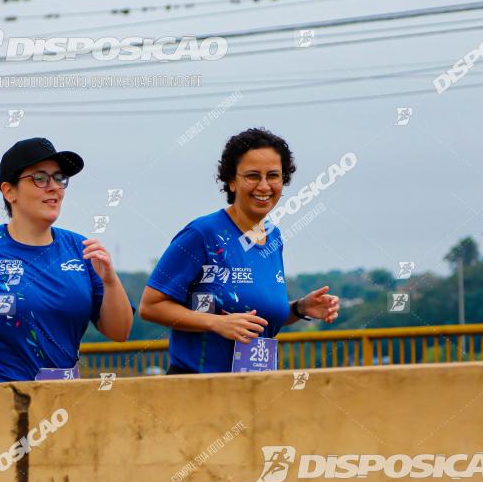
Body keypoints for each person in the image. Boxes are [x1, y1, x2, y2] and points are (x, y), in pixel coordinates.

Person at [139, 127, 339, 373]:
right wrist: (215, 323)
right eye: (253, 176)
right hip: (199, 389)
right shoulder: (203, 233)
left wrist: (299, 308)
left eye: (273, 175)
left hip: (256, 387)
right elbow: (150, 306)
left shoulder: (273, 236)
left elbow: (253, 312)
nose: (264, 186)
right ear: (232, 181)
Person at [0, 137, 134, 384]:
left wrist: (110, 280)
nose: (54, 187)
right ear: (9, 191)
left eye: (59, 178)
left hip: (61, 403)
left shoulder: (80, 249)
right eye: (40, 178)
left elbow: (119, 331)